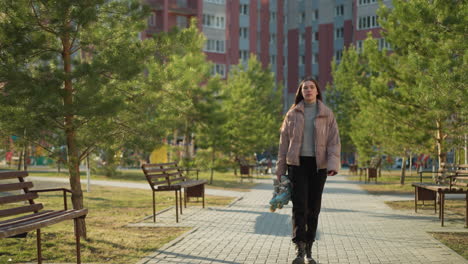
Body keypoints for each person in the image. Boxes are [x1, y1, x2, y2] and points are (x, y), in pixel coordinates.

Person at [276, 77, 341, 264]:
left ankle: (310, 247)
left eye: (312, 87)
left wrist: (332, 165)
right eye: (305, 88)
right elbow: (284, 143)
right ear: (301, 92)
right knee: (299, 207)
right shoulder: (292, 114)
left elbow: (334, 142)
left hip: (318, 166)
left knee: (314, 207)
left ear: (317, 91)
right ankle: (299, 247)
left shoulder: (327, 114)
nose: (309, 90)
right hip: (296, 165)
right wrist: (280, 168)